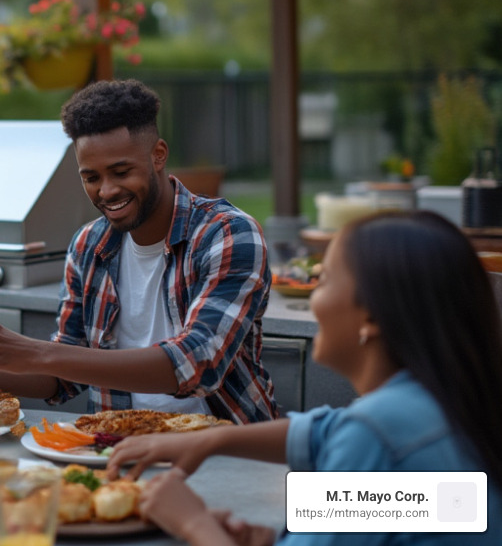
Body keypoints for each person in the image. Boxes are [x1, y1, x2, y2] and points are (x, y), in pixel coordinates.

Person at [107, 211, 502, 545]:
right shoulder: (440, 403)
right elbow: (325, 436)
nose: (314, 297)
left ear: (371, 316)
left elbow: (359, 441)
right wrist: (210, 441)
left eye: (324, 279)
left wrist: (193, 523)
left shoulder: (377, 432)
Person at [0, 79, 277, 422]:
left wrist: (37, 352)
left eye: (121, 172)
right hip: (116, 442)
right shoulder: (88, 245)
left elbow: (198, 363)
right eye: (91, 178)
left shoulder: (227, 234)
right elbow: (64, 376)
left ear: (158, 155)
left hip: (224, 442)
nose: (106, 191)